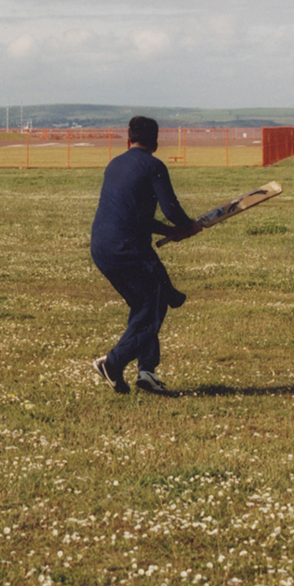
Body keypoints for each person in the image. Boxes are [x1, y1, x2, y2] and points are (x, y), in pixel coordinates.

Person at [89, 116, 199, 396]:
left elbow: (139, 217)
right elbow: (172, 210)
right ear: (157, 143)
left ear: (128, 141)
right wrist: (186, 227)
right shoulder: (154, 166)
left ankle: (147, 371)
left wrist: (172, 232)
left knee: (146, 303)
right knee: (151, 308)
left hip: (102, 247)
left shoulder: (115, 164)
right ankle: (112, 364)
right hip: (128, 249)